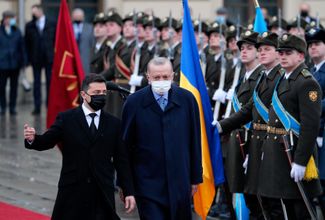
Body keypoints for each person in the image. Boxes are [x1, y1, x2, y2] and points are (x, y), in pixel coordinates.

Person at [24, 74, 136, 220]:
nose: (101, 96)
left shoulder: (114, 123)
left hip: (102, 192)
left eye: (103, 93)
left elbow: (121, 161)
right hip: (73, 191)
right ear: (83, 94)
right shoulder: (67, 119)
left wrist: (128, 191)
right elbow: (47, 141)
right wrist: (33, 139)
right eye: (96, 93)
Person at [121, 57, 202, 219]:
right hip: (147, 183)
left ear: (173, 76)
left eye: (165, 77)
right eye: (157, 77)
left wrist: (195, 177)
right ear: (148, 77)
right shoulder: (134, 102)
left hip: (179, 181)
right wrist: (126, 186)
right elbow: (124, 147)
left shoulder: (187, 100)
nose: (161, 81)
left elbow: (194, 141)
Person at [216, 32, 284, 219]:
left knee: (266, 204)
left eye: (251, 48)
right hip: (241, 143)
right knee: (247, 197)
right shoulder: (251, 78)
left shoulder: (273, 77)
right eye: (242, 49)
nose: (244, 52)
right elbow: (246, 110)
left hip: (259, 144)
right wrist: (219, 126)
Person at [258, 33, 322, 219]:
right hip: (279, 155)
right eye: (281, 52)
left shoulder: (306, 82)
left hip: (294, 154)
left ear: (301, 56)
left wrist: (301, 161)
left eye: (288, 52)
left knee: (300, 211)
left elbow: (310, 126)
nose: (283, 56)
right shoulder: (283, 79)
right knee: (286, 208)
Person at [306, 27, 325, 216]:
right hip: (312, 134)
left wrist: (311, 106)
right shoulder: (310, 71)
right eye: (310, 44)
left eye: (317, 44)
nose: (313, 48)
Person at [25, 4, 56, 115]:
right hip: (36, 58)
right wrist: (27, 60)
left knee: (49, 82)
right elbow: (27, 44)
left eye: (35, 12)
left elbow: (56, 41)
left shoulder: (51, 23)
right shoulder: (29, 25)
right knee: (36, 84)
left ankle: (49, 105)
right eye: (32, 12)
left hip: (49, 58)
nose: (33, 14)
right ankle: (37, 107)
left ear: (41, 11)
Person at [0, 10, 27, 115]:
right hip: (2, 65)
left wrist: (24, 61)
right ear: (6, 19)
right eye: (11, 18)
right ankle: (3, 107)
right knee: (1, 87)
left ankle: (12, 107)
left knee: (14, 87)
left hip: (15, 64)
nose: (13, 20)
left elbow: (22, 47)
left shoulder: (17, 31)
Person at [72, 8, 95, 75]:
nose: (77, 18)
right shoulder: (69, 27)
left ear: (83, 17)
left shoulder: (90, 28)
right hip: (72, 59)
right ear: (72, 17)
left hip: (85, 59)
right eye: (76, 16)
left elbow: (93, 44)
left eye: (79, 16)